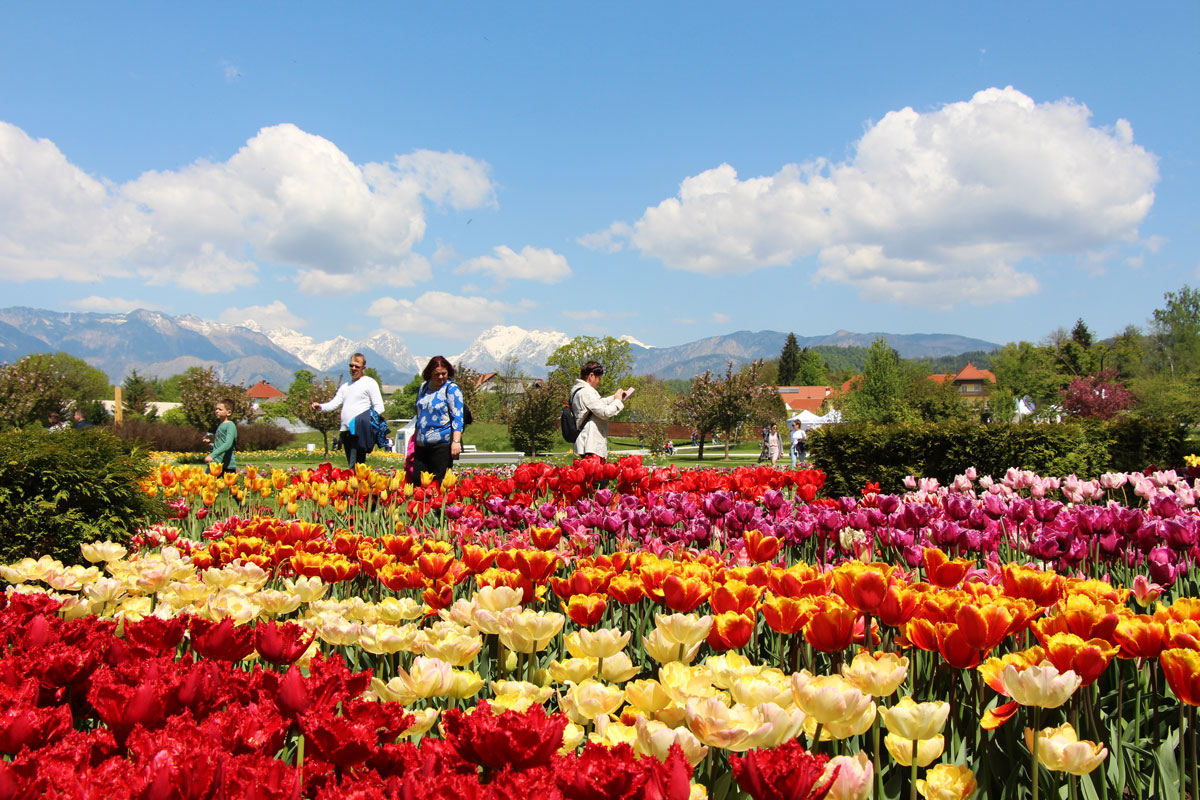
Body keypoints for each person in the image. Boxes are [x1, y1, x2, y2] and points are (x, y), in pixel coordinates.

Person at [312, 352, 384, 468]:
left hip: (358, 431)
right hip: (345, 431)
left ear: (363, 368)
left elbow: (379, 407)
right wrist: (321, 407)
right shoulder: (345, 387)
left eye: (357, 366)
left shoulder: (369, 383)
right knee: (352, 466)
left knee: (355, 466)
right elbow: (334, 403)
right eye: (351, 366)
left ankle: (357, 485)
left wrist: (364, 422)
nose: (353, 368)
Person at [412, 355, 465, 485]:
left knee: (438, 484)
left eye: (444, 373)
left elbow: (457, 417)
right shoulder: (423, 388)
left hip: (441, 444)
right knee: (418, 482)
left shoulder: (451, 389)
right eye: (437, 374)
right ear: (430, 373)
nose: (441, 377)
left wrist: (456, 441)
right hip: (421, 444)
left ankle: (438, 506)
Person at [571, 360, 632, 463]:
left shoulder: (578, 390)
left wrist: (615, 398)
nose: (599, 381)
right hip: (591, 443)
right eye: (599, 378)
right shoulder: (587, 392)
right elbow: (605, 413)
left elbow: (597, 403)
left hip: (587, 441)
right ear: (591, 376)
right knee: (598, 477)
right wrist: (617, 401)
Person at [204, 397, 237, 472]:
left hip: (226, 465)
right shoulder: (220, 425)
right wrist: (210, 443)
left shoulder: (230, 425)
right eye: (216, 409)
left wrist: (212, 455)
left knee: (228, 483)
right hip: (215, 463)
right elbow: (220, 444)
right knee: (206, 482)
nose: (216, 411)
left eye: (220, 409)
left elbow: (228, 444)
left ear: (228, 412)